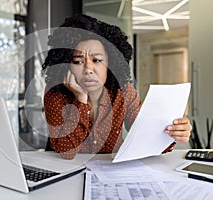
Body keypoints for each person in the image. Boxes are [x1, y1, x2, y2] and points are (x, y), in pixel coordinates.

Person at [41, 14, 192, 160]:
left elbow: (146, 136)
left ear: (110, 63)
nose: (88, 69)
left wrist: (172, 133)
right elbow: (66, 152)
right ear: (67, 65)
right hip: (63, 171)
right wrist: (81, 100)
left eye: (97, 60)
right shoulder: (55, 92)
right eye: (78, 61)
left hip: (110, 169)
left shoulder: (124, 92)